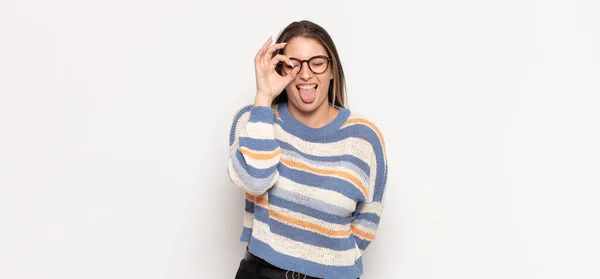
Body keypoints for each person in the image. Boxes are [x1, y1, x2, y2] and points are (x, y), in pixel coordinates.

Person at [228, 20, 388, 279]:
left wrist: (326, 263)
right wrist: (263, 97)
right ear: (279, 69)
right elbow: (256, 181)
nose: (305, 74)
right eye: (293, 64)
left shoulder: (364, 138)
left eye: (317, 62)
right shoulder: (253, 121)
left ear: (332, 69)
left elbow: (367, 221)